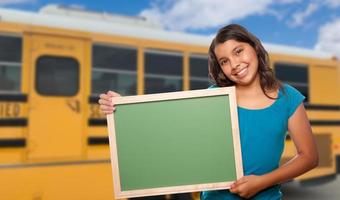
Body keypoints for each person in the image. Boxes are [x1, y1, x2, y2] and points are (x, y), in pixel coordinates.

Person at [98, 24, 318, 199]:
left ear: (255, 47)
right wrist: (124, 108)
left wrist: (262, 182)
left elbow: (309, 157)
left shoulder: (287, 97)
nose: (234, 64)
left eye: (238, 51)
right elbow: (169, 132)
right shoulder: (215, 97)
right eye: (224, 61)